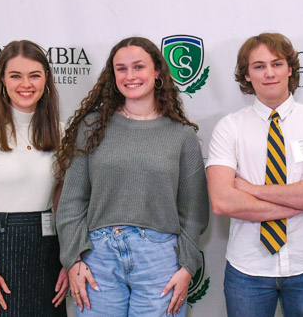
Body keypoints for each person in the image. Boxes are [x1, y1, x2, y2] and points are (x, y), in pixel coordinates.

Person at [55, 37, 208, 317]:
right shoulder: (91, 126)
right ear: (112, 76)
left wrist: (186, 266)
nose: (130, 76)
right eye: (121, 69)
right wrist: (74, 259)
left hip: (160, 261)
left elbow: (194, 211)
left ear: (157, 72)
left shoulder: (181, 135)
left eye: (139, 67)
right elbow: (71, 202)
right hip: (97, 258)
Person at [206, 32, 303, 317]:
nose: (269, 73)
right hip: (248, 269)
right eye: (258, 66)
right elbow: (222, 201)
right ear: (246, 75)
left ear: (290, 68)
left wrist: (251, 189)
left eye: (277, 64)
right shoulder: (229, 127)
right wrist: (301, 196)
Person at [0, 40, 68, 316]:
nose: (25, 84)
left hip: (47, 249)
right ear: (2, 81)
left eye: (34, 75)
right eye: (15, 76)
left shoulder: (60, 132)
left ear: (46, 80)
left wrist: (67, 260)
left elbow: (62, 203)